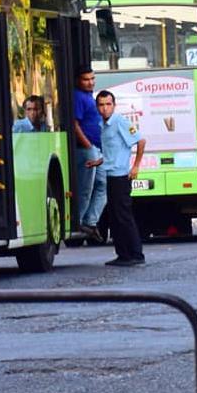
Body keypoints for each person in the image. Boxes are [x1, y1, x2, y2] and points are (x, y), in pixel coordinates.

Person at [90, 90, 146, 267]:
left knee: (124, 216)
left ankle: (136, 254)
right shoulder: (103, 125)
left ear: (114, 105)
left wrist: (136, 165)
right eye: (101, 105)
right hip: (110, 174)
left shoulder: (120, 122)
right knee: (114, 217)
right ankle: (123, 255)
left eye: (108, 104)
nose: (105, 108)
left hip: (121, 176)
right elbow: (113, 150)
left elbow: (140, 141)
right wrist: (98, 161)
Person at [73, 66, 107, 241]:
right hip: (88, 150)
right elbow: (75, 124)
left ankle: (90, 222)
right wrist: (88, 146)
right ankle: (78, 221)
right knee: (86, 187)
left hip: (97, 149)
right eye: (86, 79)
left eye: (92, 78)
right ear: (79, 80)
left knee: (103, 183)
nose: (91, 82)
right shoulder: (78, 96)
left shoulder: (88, 96)